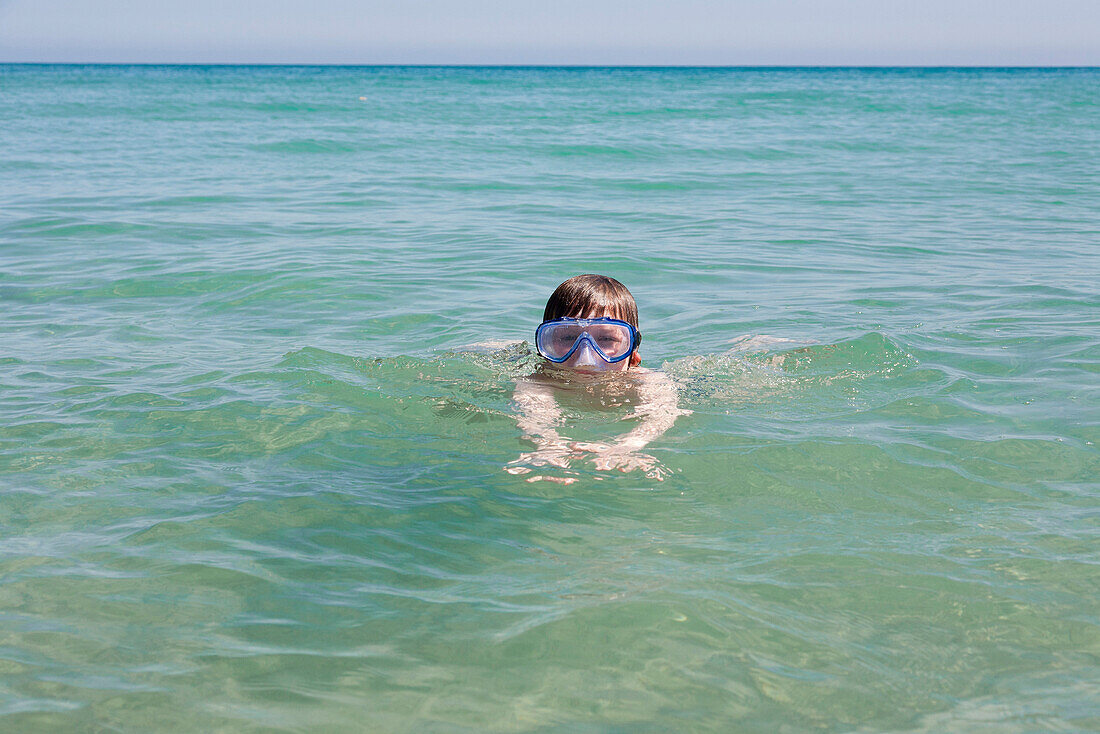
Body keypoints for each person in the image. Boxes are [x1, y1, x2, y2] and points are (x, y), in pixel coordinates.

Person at [507, 274, 687, 482]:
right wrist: (549, 445)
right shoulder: (538, 381)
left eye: (606, 339)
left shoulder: (646, 381)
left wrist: (627, 446)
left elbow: (661, 413)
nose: (585, 355)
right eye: (567, 336)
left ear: (632, 351)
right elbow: (535, 413)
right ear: (545, 345)